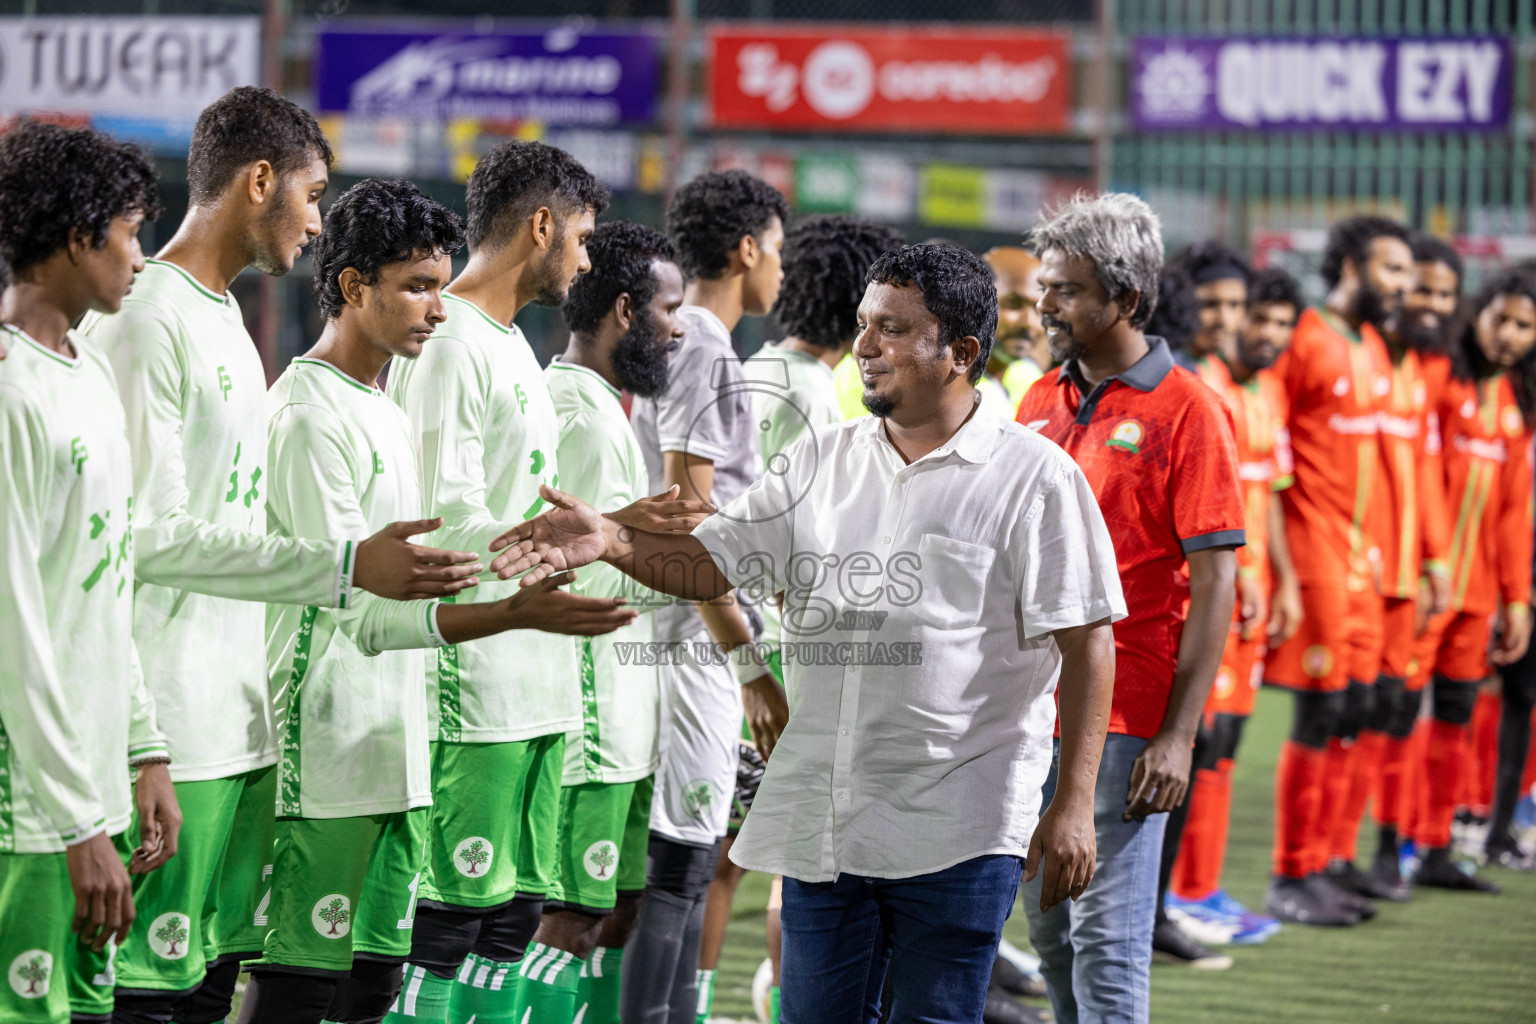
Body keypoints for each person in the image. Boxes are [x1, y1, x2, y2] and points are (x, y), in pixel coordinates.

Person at [496, 241, 1125, 1024]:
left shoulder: (1036, 478)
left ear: (961, 353)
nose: (863, 345)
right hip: (825, 824)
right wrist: (613, 540)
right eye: (864, 324)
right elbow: (712, 561)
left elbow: (1089, 639)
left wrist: (1072, 805)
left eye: (891, 329)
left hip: (961, 825)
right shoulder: (820, 460)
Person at [79, 88, 484, 1024]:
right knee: (145, 998)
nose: (316, 218)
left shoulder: (219, 314)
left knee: (207, 990)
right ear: (258, 180)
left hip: (237, 723)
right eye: (310, 192)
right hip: (171, 729)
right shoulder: (147, 317)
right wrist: (344, 568)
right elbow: (147, 537)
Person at [238, 178, 635, 1024]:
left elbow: (421, 562)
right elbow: (368, 601)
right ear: (353, 288)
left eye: (436, 283)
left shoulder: (385, 399)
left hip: (398, 736)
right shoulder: (308, 416)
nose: (437, 307)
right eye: (419, 287)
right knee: (309, 979)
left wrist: (584, 544)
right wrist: (515, 602)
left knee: (387, 975)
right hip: (329, 742)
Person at [382, 142, 615, 1024]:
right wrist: (549, 545)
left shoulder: (511, 344)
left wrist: (576, 543)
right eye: (582, 238)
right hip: (471, 688)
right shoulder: (448, 344)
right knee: (448, 923)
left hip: (535, 677)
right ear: (542, 226)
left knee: (515, 918)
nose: (586, 260)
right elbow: (438, 524)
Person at [1014, 193, 1243, 1021]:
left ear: (1126, 300)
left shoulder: (1191, 409)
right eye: (1045, 286)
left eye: (1065, 290)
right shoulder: (1038, 398)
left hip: (1129, 710)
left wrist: (1178, 735)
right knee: (1050, 934)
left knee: (1106, 938)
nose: (1044, 305)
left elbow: (1216, 581)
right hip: (1032, 708)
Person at [0, 121, 178, 1024]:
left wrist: (144, 748)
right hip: (28, 808)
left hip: (93, 788)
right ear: (78, 237)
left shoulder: (87, 377)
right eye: (130, 233)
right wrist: (75, 821)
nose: (139, 259)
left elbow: (109, 583)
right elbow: (13, 628)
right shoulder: (9, 392)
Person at [726, 214, 904, 1023]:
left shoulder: (755, 369)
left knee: (722, 862)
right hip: (771, 660)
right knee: (784, 856)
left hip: (724, 644)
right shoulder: (817, 401)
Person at [623, 169, 791, 1024]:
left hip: (689, 631)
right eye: (779, 252)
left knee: (683, 861)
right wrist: (751, 661)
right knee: (682, 862)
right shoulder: (702, 343)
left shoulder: (689, 339)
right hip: (689, 638)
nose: (783, 275)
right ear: (749, 248)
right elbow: (689, 518)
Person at [514, 221, 685, 1024]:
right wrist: (684, 571)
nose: (677, 328)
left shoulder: (599, 409)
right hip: (585, 730)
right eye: (668, 308)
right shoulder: (576, 415)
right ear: (626, 309)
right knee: (562, 922)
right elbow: (555, 566)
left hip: (616, 719)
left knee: (606, 917)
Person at [1262, 215, 1412, 926]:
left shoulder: (1377, 346)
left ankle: (1326, 861)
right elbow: (1270, 443)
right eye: (1393, 271)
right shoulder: (1306, 338)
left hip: (1366, 561)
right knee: (1320, 711)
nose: (1403, 287)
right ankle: (1289, 875)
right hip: (1317, 556)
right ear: (1351, 267)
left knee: (1353, 710)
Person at [1168, 266, 1305, 945]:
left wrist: (1284, 577)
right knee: (1204, 738)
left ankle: (1203, 888)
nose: (1253, 326)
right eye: (1225, 306)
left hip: (1251, 589)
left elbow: (1269, 494)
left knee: (1229, 744)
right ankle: (1181, 892)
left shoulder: (1266, 390)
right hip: (1217, 585)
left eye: (1246, 308)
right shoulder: (1201, 385)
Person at [1325, 237, 1460, 902]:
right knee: (1352, 714)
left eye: (1435, 291)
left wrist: (1436, 558)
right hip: (1361, 572)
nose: (1419, 299)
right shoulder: (1366, 352)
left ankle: (1381, 849)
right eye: (1410, 283)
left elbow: (1427, 479)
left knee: (1397, 714)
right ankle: (1330, 857)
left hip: (1409, 575)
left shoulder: (1427, 370)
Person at [1404, 268, 1536, 893]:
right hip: (1425, 585)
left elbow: (1513, 516)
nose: (1508, 335)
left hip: (1478, 595)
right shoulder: (1438, 380)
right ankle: (1389, 844)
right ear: (1477, 316)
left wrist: (1516, 598)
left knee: (1455, 715)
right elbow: (1418, 480)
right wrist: (1428, 562)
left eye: (1523, 326)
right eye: (1501, 319)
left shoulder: (1513, 407)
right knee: (1400, 713)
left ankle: (1433, 847)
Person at [1170, 241, 1251, 371]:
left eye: (1234, 305)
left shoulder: (1218, 369)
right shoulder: (1167, 371)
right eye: (1210, 304)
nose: (1223, 319)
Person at [983, 246, 1050, 404]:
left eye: (1038, 309)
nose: (1029, 323)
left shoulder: (1028, 379)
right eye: (1013, 304)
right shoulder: (947, 390)